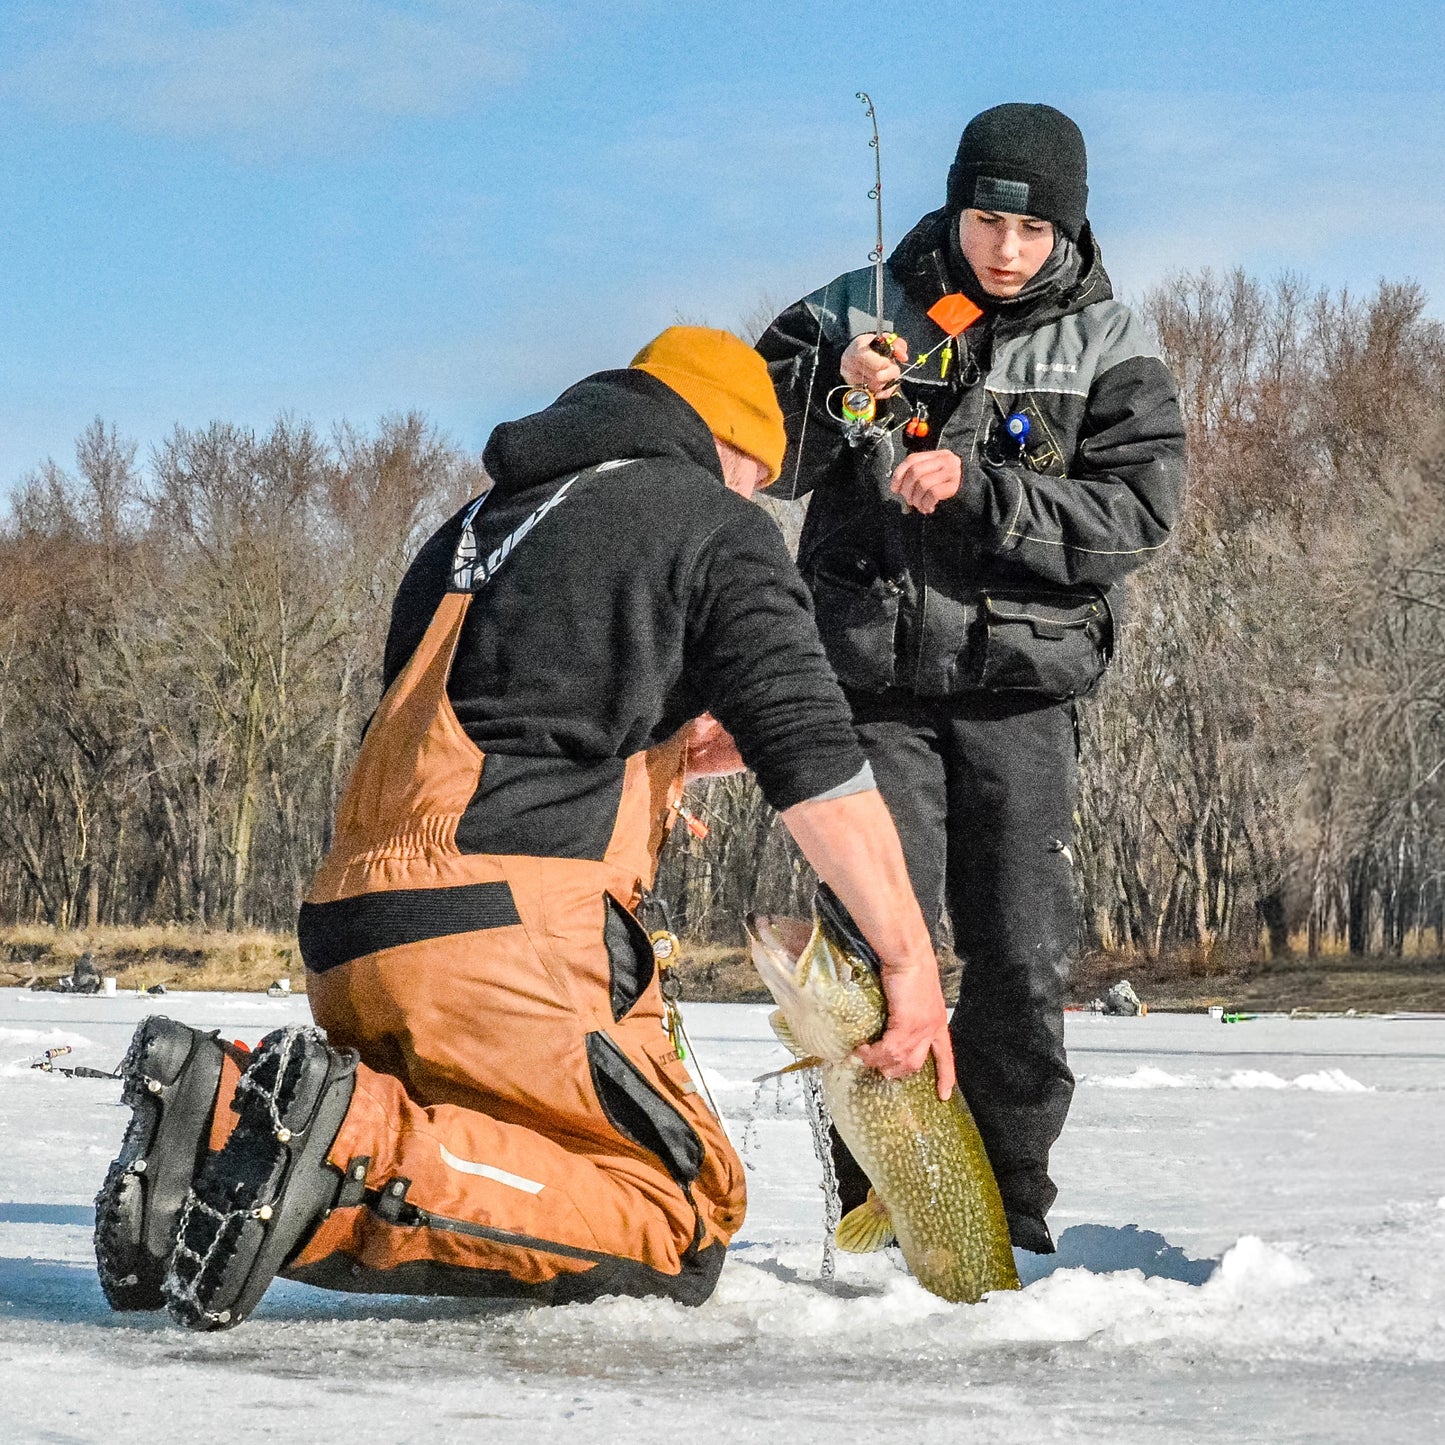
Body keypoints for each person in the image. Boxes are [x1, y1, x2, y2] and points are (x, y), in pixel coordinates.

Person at [94, 326, 953, 1329]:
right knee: (674, 1215)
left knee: (516, 1161)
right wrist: (903, 956)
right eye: (755, 477)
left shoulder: (473, 525)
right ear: (727, 445)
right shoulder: (705, 518)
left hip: (353, 938)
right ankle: (336, 1147)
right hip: (506, 939)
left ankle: (215, 1127)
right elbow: (816, 757)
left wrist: (673, 740)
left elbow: (515, 719)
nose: (752, 498)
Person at [756, 103, 1187, 1252]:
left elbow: (1136, 517)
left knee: (1019, 953)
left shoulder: (1109, 341)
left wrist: (986, 493)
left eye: (1033, 230)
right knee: (866, 950)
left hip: (1020, 692)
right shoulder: (856, 306)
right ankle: (879, 1213)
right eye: (988, 219)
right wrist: (834, 389)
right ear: (954, 207)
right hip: (872, 686)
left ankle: (1013, 1222)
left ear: (1067, 232)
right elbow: (754, 453)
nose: (1006, 248)